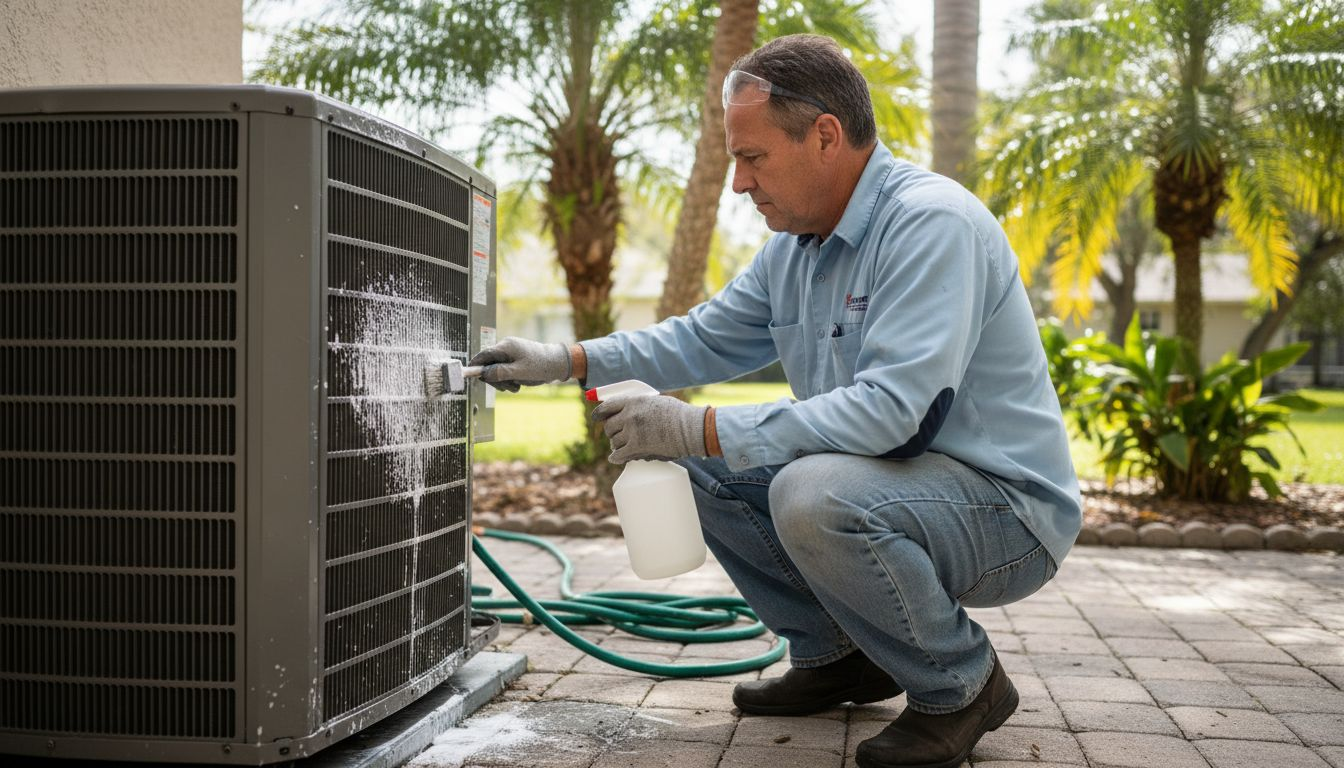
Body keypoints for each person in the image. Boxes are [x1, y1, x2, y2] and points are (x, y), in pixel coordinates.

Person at [469, 33, 1082, 768]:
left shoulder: (929, 225)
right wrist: (564, 360)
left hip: (1006, 512)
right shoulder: (796, 249)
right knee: (692, 466)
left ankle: (962, 683)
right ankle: (839, 658)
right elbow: (699, 339)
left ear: (825, 135)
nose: (738, 184)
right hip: (895, 486)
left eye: (751, 158)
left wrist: (697, 424)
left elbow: (893, 415)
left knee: (808, 491)